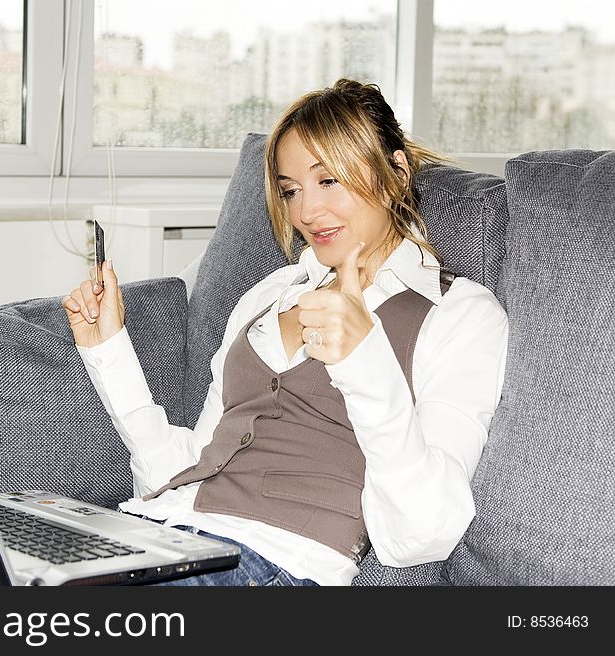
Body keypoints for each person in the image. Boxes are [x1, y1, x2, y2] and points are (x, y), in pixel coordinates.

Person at [61, 79, 509, 586]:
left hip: (268, 563)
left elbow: (424, 532)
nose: (306, 213)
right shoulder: (269, 293)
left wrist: (367, 363)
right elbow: (182, 472)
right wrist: (109, 353)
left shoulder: (458, 313)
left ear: (396, 175)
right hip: (158, 534)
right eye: (291, 190)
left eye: (328, 181)